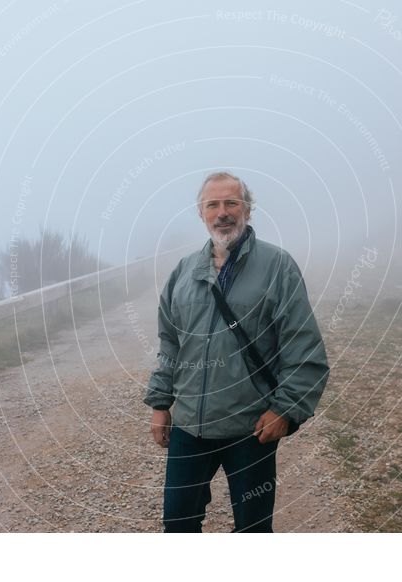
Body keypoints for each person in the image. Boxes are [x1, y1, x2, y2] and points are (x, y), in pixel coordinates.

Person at [144, 171, 329, 532]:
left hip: (251, 428)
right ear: (201, 213)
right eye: (212, 204)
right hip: (190, 428)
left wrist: (285, 409)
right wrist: (160, 403)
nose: (222, 212)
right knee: (178, 524)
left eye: (231, 203)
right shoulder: (184, 272)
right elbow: (170, 343)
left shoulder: (277, 266)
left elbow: (302, 344)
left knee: (253, 529)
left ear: (248, 209)